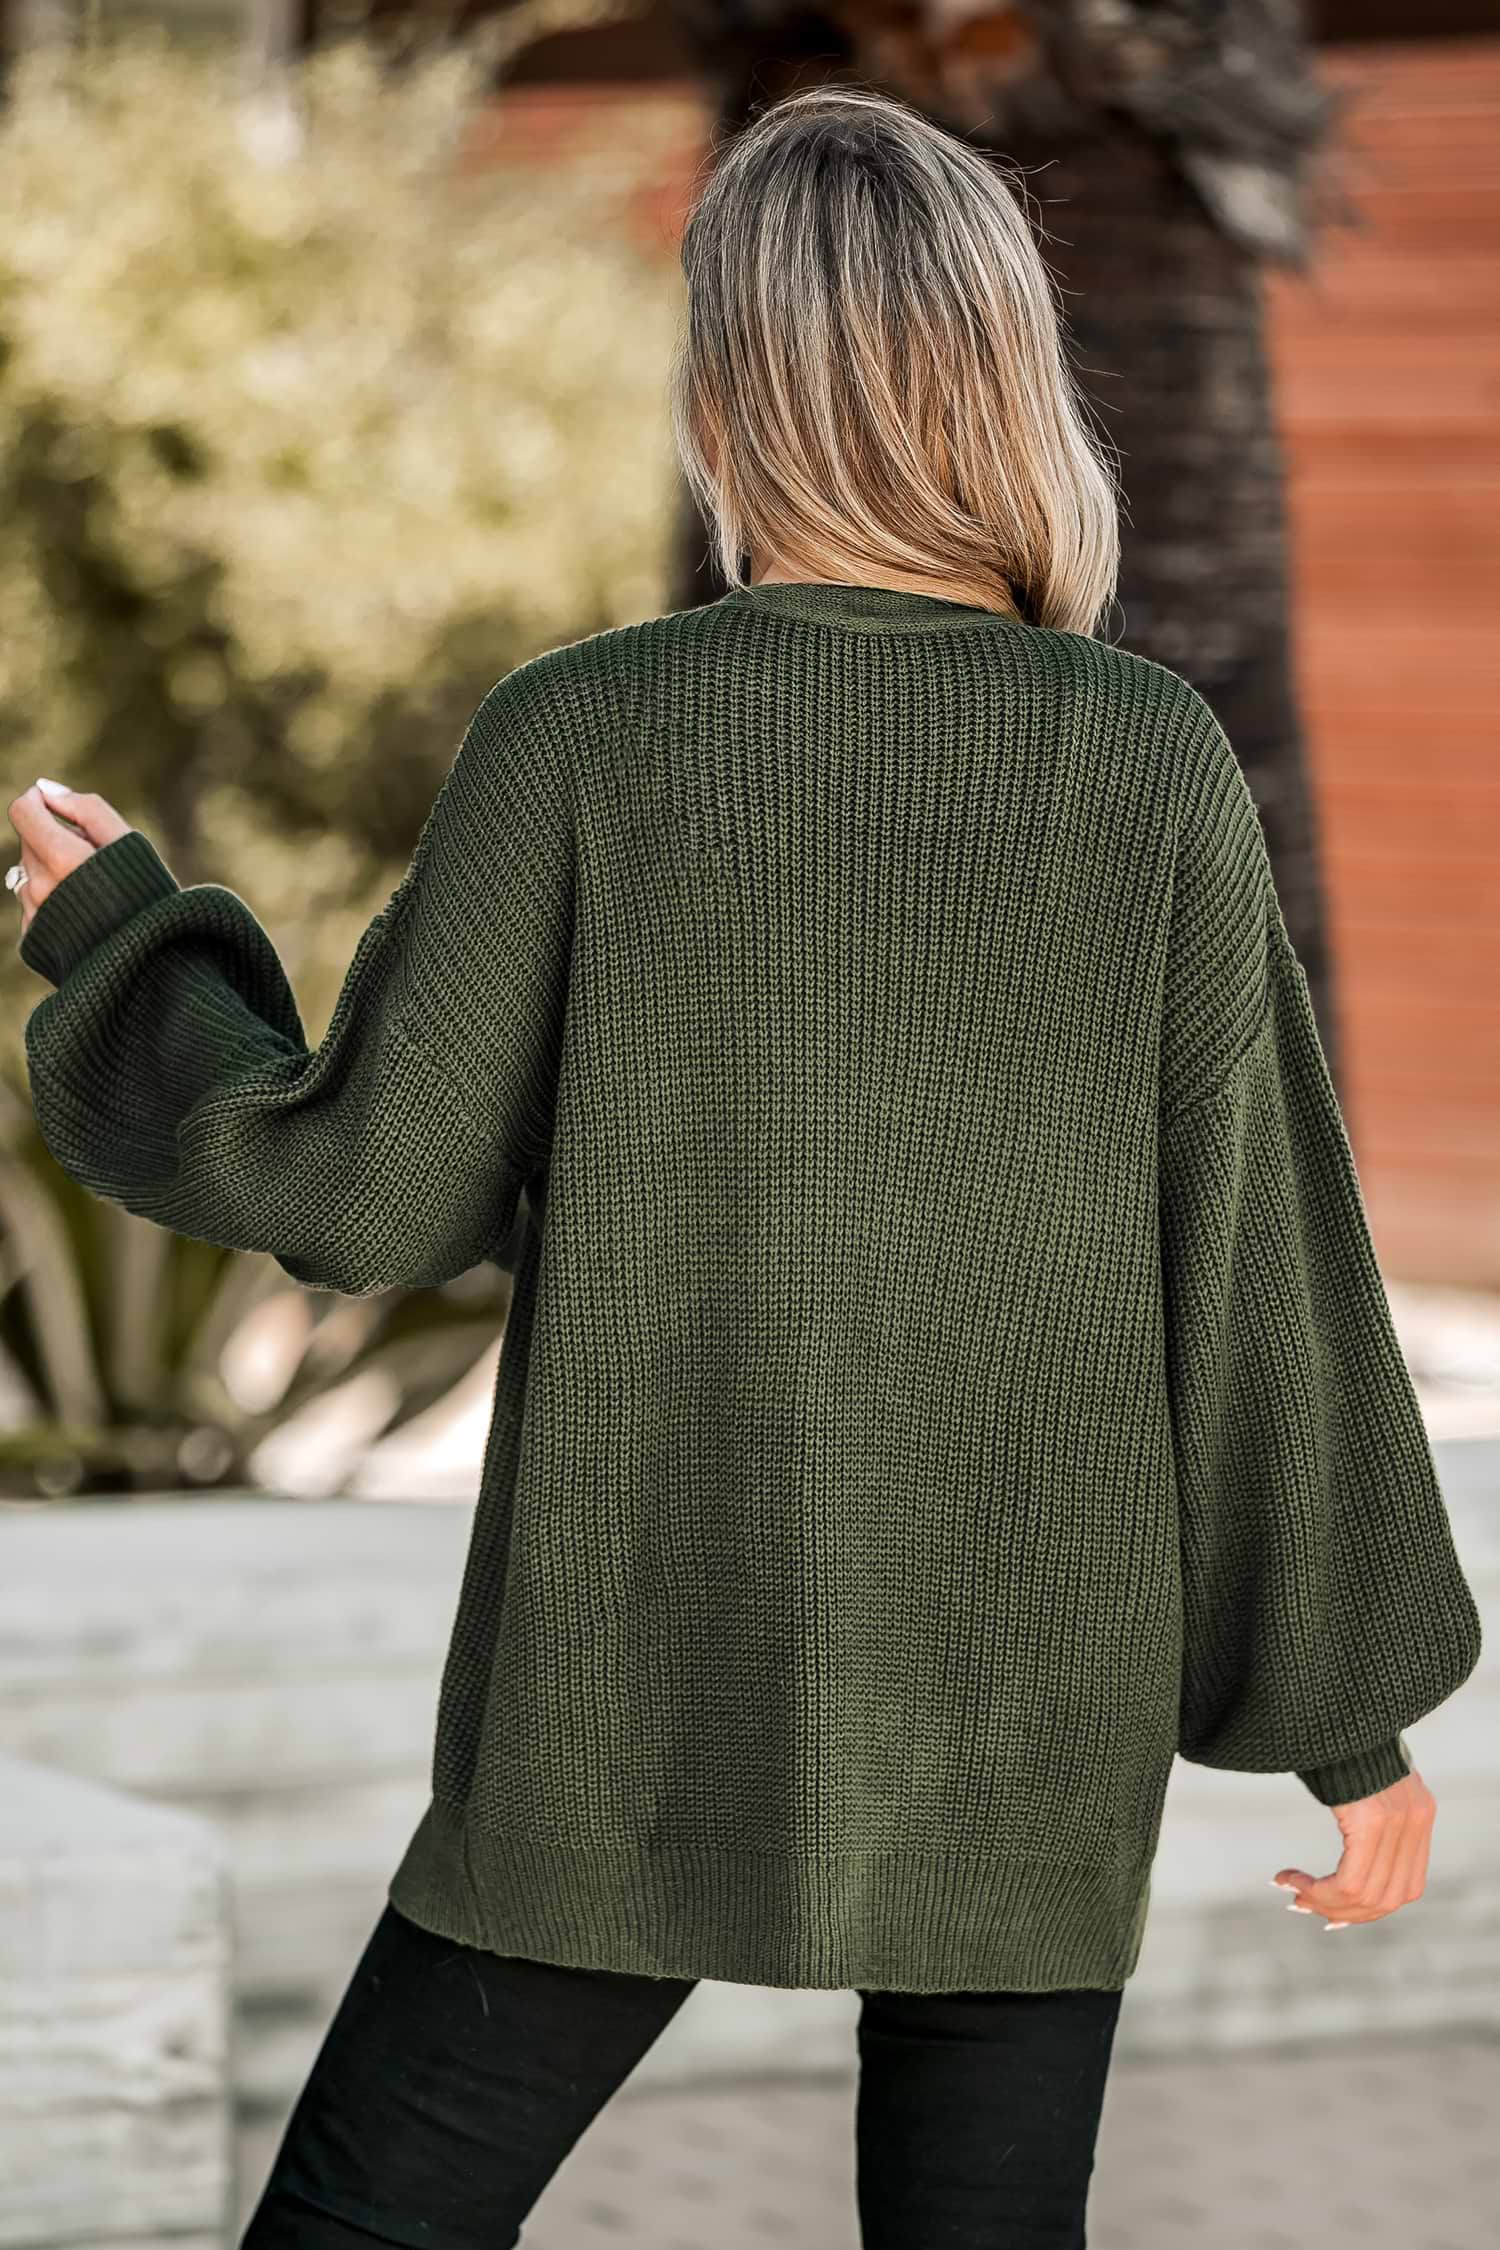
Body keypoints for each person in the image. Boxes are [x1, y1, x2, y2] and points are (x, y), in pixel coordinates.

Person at [8, 81, 1481, 2250]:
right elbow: (1259, 1271)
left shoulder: (583, 734)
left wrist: (128, 946)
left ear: (727, 387)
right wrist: (1349, 1729)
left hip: (630, 1694)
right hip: (1024, 1711)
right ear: (1005, 374)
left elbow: (364, 1187)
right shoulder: (1146, 762)